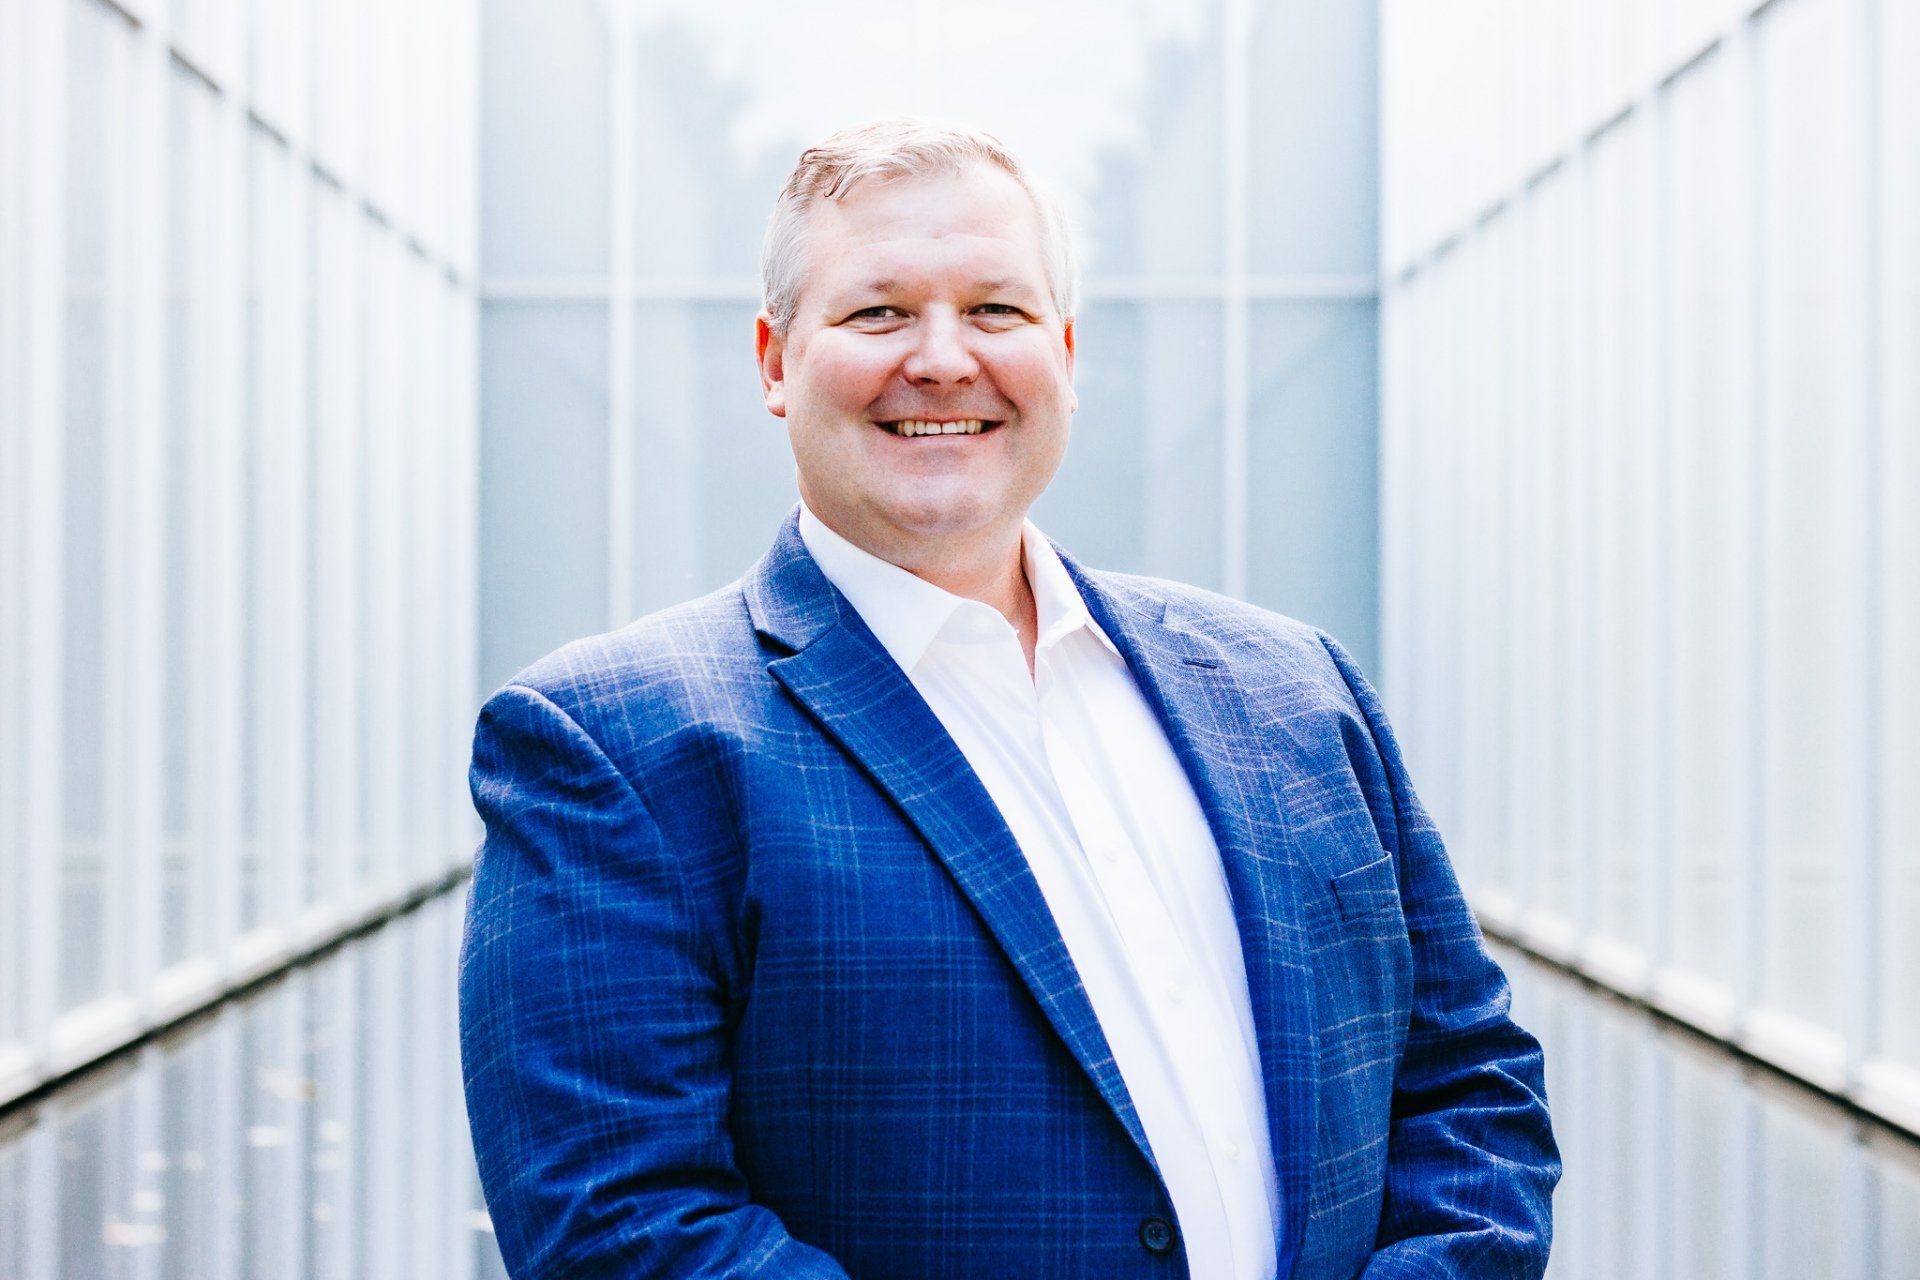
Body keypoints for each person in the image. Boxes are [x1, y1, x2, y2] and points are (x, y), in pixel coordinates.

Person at [459, 118, 1559, 1280]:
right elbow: (620, 1225)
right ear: (775, 361)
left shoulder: (1296, 687)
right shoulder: (614, 746)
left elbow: (1469, 1082)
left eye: (996, 309)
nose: (942, 358)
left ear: (1067, 354)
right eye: (878, 311)